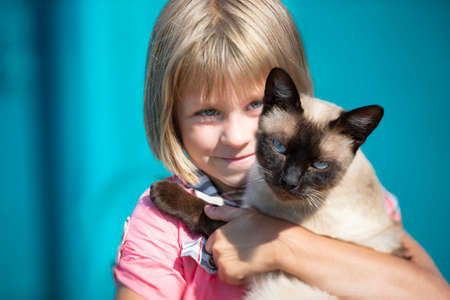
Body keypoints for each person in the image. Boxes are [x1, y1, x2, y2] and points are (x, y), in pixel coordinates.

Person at [114, 0, 450, 299]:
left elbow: (434, 293)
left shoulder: (354, 198)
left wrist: (284, 246)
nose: (236, 136)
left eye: (256, 104)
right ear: (171, 116)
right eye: (209, 111)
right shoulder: (160, 226)